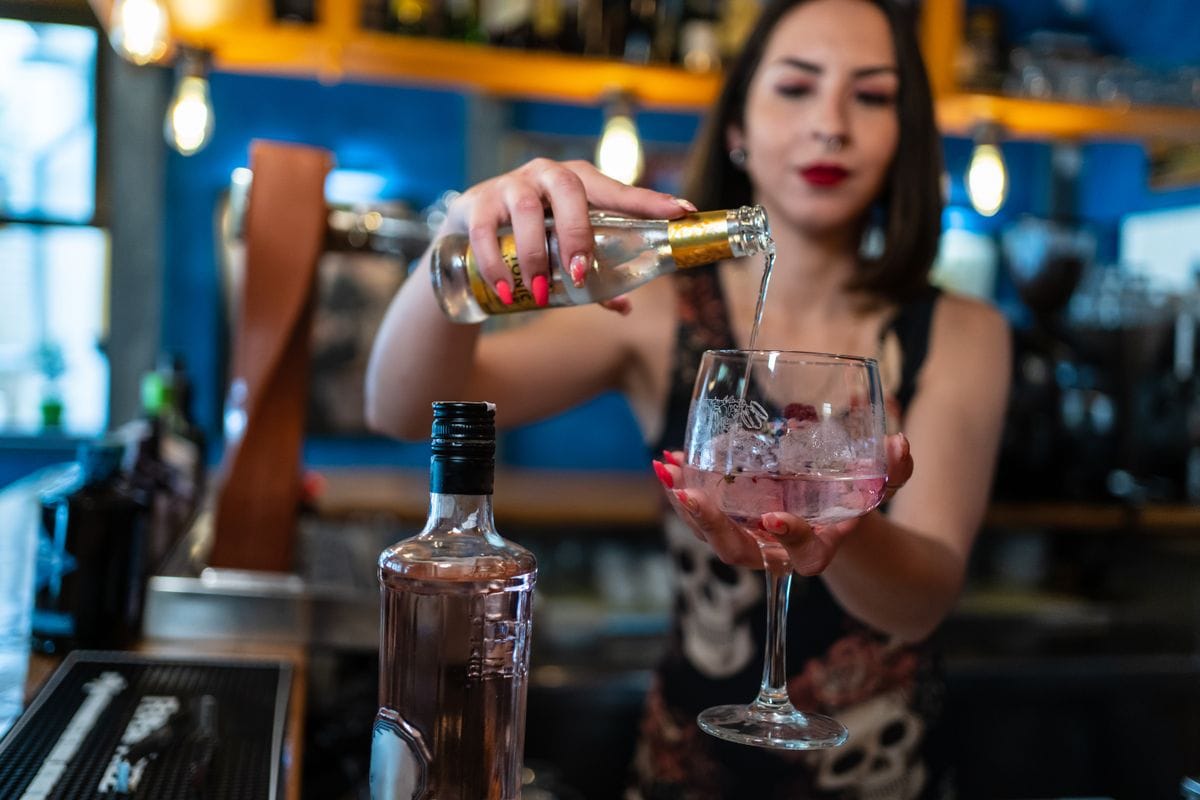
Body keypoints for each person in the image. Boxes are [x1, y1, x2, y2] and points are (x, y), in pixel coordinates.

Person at [365, 0, 1011, 795]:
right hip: (687, 767)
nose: (831, 124)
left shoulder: (964, 331)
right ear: (737, 121)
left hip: (881, 769)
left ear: (906, 136)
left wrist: (842, 526)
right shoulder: (664, 311)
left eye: (871, 96)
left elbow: (923, 600)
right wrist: (463, 231)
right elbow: (401, 405)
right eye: (796, 87)